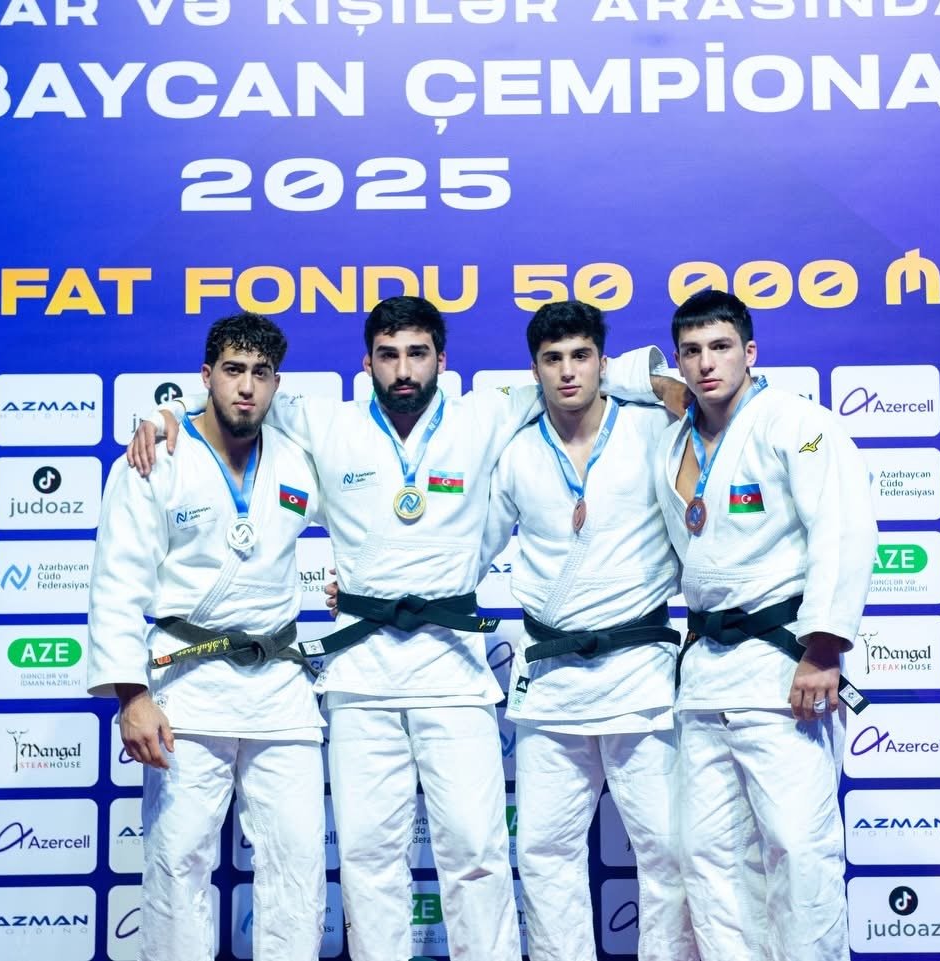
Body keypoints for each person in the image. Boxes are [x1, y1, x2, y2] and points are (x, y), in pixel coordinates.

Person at [129, 295, 669, 961]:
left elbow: (584, 379)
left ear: (442, 360)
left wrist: (661, 382)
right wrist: (165, 415)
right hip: (361, 676)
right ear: (367, 363)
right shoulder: (328, 423)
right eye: (388, 355)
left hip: (454, 673)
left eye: (417, 354)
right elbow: (238, 399)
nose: (404, 369)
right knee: (366, 855)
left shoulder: (485, 414)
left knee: (476, 851)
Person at [88, 311, 327, 961]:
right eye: (232, 370)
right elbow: (116, 581)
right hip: (187, 686)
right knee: (177, 861)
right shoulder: (156, 456)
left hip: (280, 686)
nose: (246, 386)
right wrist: (132, 696)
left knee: (298, 861)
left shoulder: (299, 455)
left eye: (260, 373)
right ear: (206, 376)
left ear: (276, 383)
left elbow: (369, 514)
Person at [653, 291, 876, 961]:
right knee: (708, 855)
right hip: (705, 674)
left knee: (799, 850)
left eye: (721, 347)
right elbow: (624, 373)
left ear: (750, 352)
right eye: (691, 351)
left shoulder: (797, 423)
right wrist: (663, 387)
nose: (706, 363)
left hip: (784, 669)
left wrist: (823, 649)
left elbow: (841, 530)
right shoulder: (673, 440)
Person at [481, 301, 698, 961]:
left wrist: (639, 377)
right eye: (552, 359)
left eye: (581, 356)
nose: (568, 372)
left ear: (605, 362)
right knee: (544, 850)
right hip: (551, 680)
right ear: (535, 369)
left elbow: (707, 396)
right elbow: (468, 547)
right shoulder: (516, 448)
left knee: (667, 849)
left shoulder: (652, 426)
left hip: (641, 674)